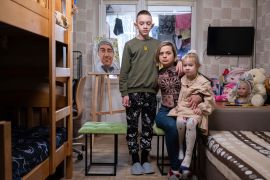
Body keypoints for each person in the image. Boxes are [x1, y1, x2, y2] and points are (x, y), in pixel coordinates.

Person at [119, 10, 161, 175]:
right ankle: (135, 159)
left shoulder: (158, 45)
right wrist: (124, 93)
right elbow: (124, 73)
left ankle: (145, 157)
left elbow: (167, 59)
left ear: (152, 25)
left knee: (147, 127)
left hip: (150, 93)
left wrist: (178, 63)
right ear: (136, 25)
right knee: (132, 127)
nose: (145, 26)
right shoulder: (130, 45)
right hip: (133, 93)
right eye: (141, 23)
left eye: (148, 23)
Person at [155, 42, 202, 179]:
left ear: (175, 56)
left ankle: (186, 168)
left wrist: (199, 96)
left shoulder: (182, 68)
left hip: (184, 110)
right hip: (165, 111)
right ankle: (175, 169)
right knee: (172, 127)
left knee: (189, 126)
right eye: (161, 53)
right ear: (158, 56)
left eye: (168, 53)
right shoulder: (156, 71)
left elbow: (203, 82)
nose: (164, 56)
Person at [168, 50, 215, 178]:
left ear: (197, 66)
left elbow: (210, 100)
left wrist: (202, 107)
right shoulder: (182, 79)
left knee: (191, 123)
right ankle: (181, 149)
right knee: (179, 121)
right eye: (185, 65)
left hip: (196, 111)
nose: (187, 68)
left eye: (191, 65)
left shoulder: (203, 82)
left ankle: (188, 155)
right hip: (183, 108)